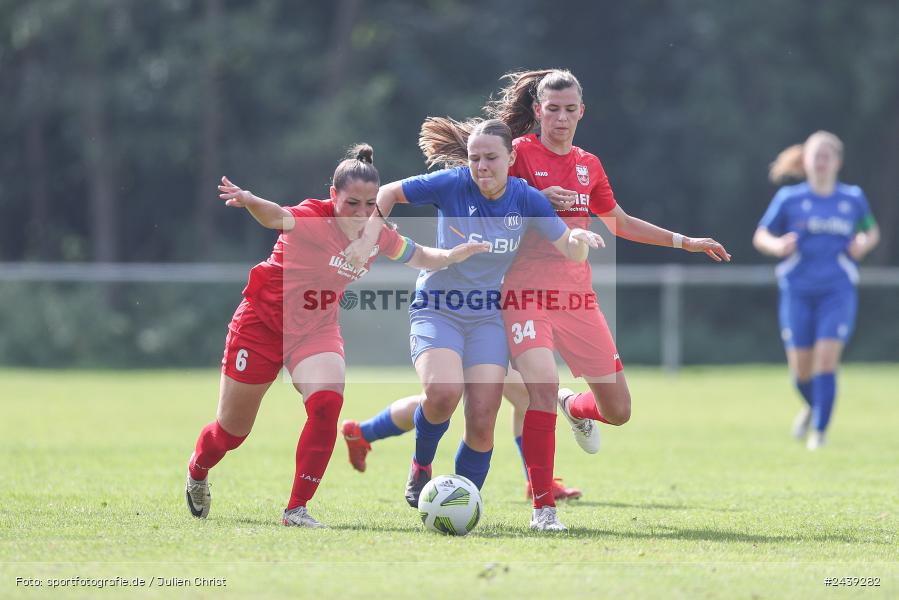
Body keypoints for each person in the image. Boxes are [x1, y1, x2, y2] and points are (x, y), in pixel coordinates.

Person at [343, 69, 731, 531]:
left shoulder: (589, 164)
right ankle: (539, 508)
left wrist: (684, 242)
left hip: (573, 297)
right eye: (552, 109)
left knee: (613, 410)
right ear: (537, 111)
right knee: (498, 396)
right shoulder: (519, 154)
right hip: (516, 294)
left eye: (570, 109)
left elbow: (619, 221)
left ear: (582, 112)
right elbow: (498, 191)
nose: (561, 118)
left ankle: (569, 411)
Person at [184, 144, 489, 527]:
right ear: (333, 197)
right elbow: (276, 216)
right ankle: (197, 469)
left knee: (327, 402)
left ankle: (296, 509)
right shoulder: (314, 216)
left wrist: (454, 255)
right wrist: (249, 200)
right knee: (231, 433)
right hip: (260, 325)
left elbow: (419, 254)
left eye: (368, 205)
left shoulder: (376, 234)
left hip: (315, 330)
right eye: (352, 204)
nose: (361, 214)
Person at [343, 118, 604, 531]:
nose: (481, 167)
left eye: (491, 158)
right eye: (474, 158)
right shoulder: (451, 184)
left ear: (511, 157)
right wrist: (366, 237)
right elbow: (389, 192)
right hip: (438, 307)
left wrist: (579, 241)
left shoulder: (527, 198)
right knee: (443, 393)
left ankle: (459, 503)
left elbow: (567, 248)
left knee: (482, 419)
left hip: (488, 316)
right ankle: (421, 463)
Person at [753, 131, 879, 450]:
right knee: (801, 371)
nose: (821, 162)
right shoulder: (790, 198)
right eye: (815, 156)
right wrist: (777, 245)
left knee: (826, 360)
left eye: (827, 156)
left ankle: (819, 433)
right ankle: (813, 406)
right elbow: (761, 235)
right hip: (797, 290)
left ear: (838, 162)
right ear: (805, 160)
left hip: (837, 290)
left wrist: (863, 244)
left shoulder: (852, 198)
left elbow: (871, 230)